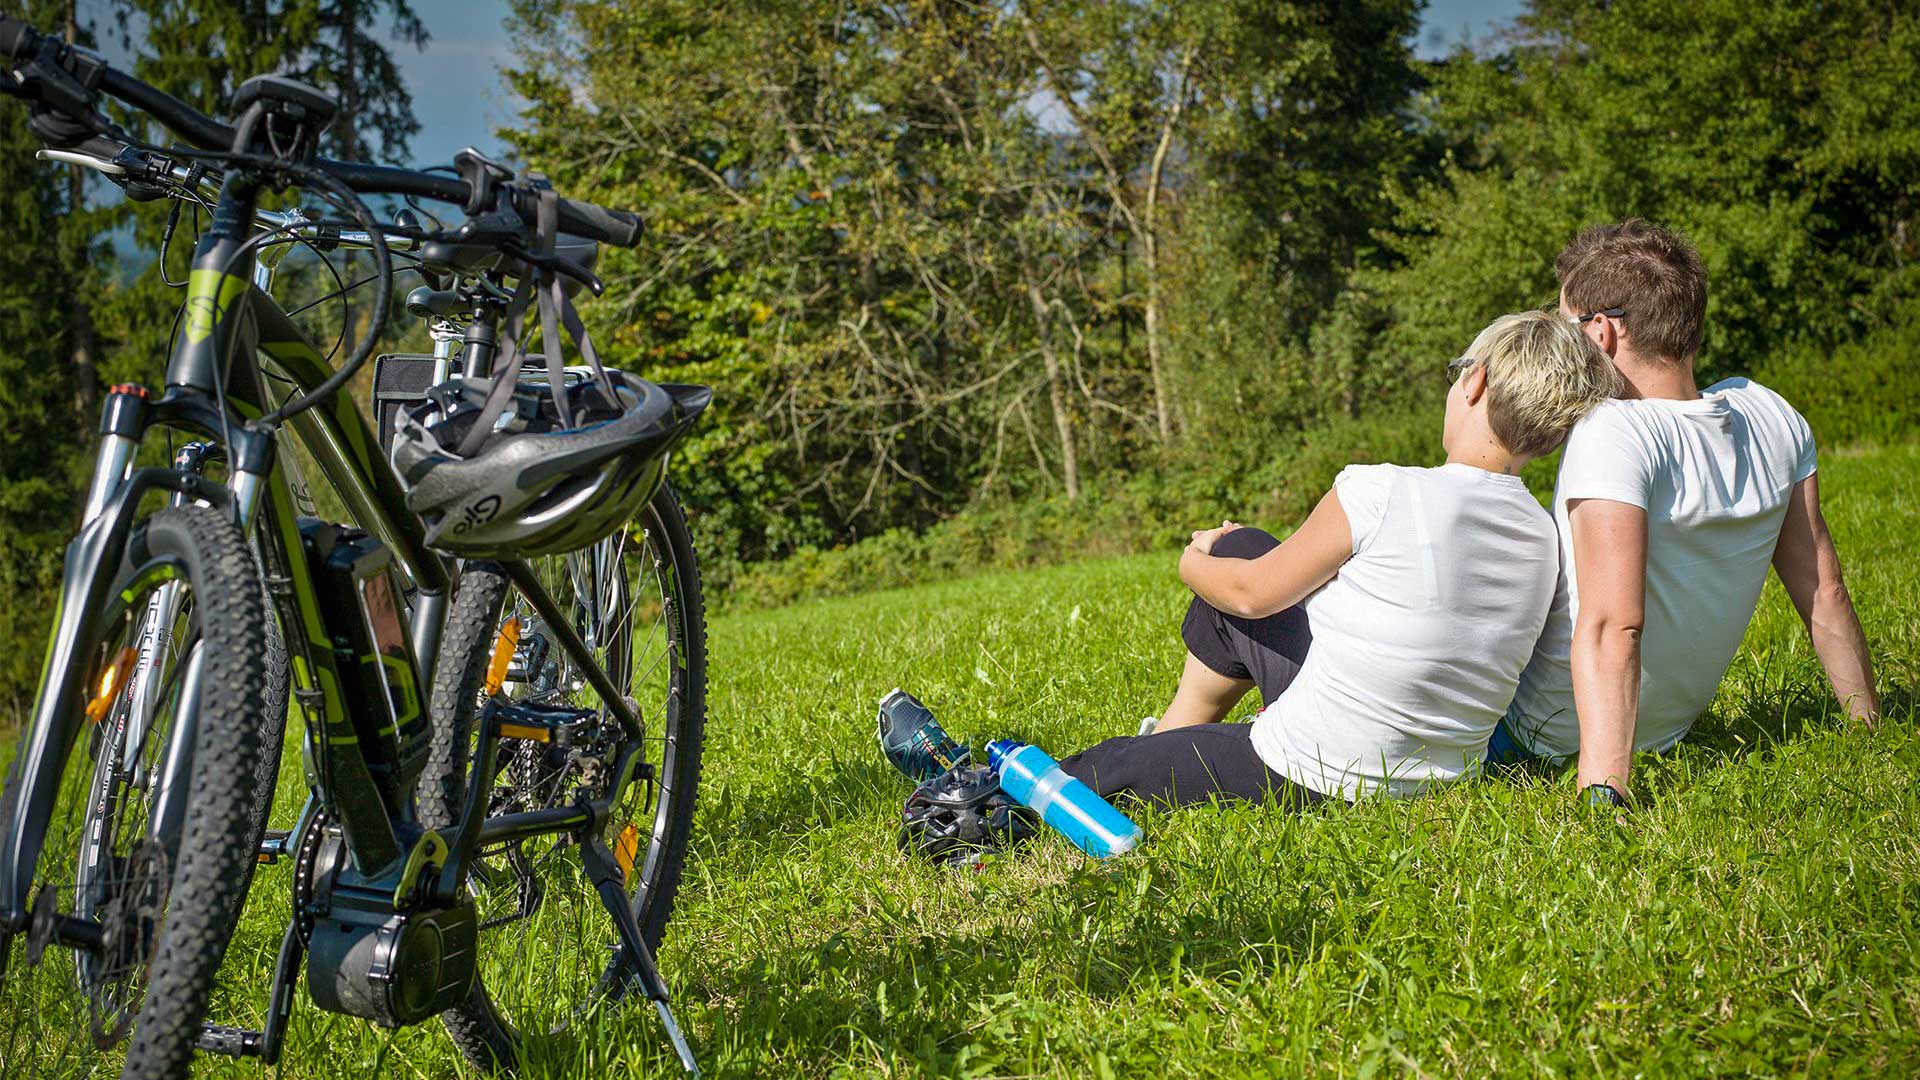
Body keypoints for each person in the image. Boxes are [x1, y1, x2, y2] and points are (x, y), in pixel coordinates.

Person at [1058, 310, 1620, 807]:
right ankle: (1175, 738)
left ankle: (996, 810)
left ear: (1474, 382)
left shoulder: (1381, 490)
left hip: (1321, 767)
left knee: (1116, 766)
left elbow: (1251, 594)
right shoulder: (1544, 535)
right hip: (1443, 773)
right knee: (1245, 546)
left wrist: (1192, 561)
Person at [1495, 220, 1878, 805]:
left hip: (1540, 739)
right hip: (1668, 732)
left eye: (1568, 327)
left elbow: (1611, 627)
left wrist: (1605, 796)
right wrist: (1867, 729)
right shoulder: (1769, 416)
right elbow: (1825, 591)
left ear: (1601, 333)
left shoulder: (1615, 432)